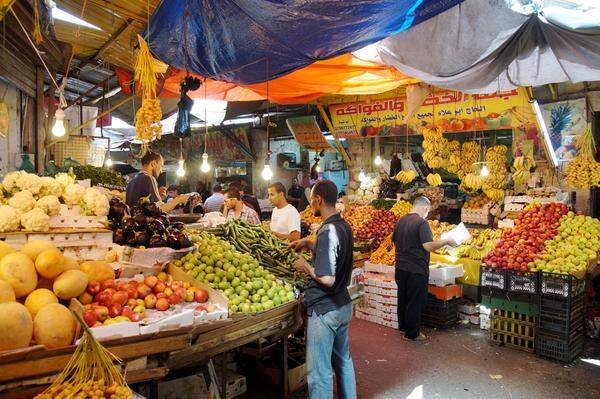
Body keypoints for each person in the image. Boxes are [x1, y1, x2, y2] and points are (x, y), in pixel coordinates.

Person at [290, 179, 356, 399]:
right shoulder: (344, 226)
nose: (311, 206)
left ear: (318, 200)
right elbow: (336, 253)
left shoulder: (328, 230)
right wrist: (309, 244)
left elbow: (327, 278)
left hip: (325, 310)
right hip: (343, 305)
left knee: (319, 373)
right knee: (343, 361)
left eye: (312, 202)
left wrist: (305, 266)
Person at [392, 196, 456, 341]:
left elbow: (395, 241)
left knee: (403, 298)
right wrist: (445, 241)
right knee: (415, 301)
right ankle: (412, 334)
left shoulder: (400, 221)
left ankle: (403, 327)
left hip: (400, 267)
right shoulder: (422, 223)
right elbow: (428, 246)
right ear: (425, 208)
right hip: (416, 268)